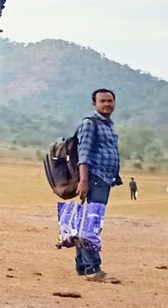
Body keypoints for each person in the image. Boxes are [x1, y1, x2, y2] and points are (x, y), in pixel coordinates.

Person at [73, 88, 122, 280]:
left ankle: (83, 265)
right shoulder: (89, 123)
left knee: (88, 221)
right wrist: (84, 180)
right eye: (103, 101)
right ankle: (94, 269)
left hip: (105, 178)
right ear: (94, 104)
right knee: (92, 222)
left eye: (110, 101)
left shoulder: (108, 125)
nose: (107, 104)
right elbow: (83, 154)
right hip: (94, 178)